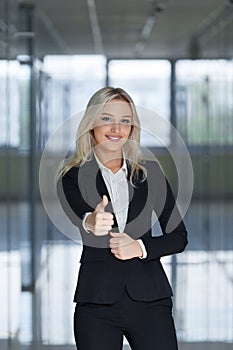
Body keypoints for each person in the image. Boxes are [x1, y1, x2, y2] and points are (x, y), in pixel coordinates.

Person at [57, 87, 188, 350]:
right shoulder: (71, 177)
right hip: (96, 303)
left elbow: (178, 237)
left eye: (125, 121)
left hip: (151, 299)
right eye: (106, 118)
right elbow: (80, 216)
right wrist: (91, 222)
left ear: (132, 128)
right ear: (91, 124)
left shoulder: (151, 174)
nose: (116, 128)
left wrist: (139, 247)